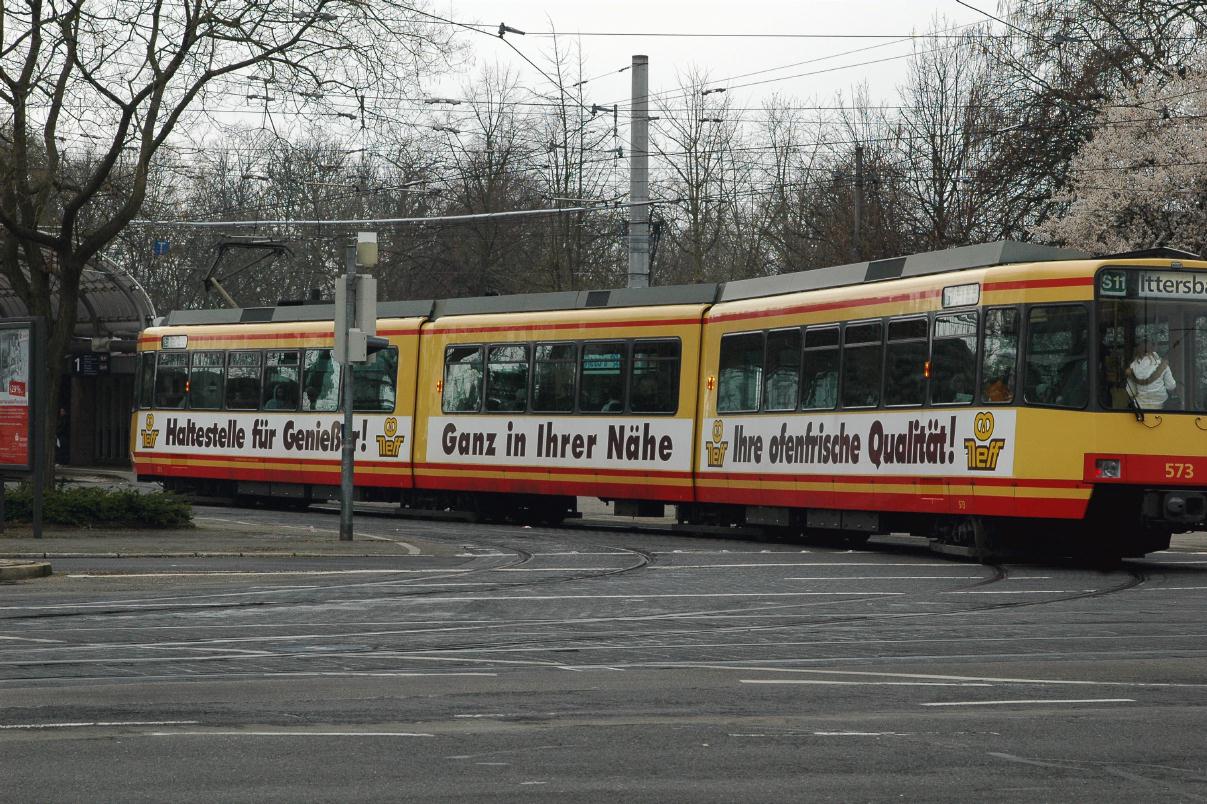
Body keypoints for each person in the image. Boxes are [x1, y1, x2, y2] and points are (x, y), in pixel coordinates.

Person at [1126, 341, 1176, 409]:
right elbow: (1171, 386)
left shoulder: (1133, 366)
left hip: (1140, 409)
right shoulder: (1162, 364)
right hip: (1161, 407)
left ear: (1138, 349)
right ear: (1154, 348)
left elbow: (1130, 392)